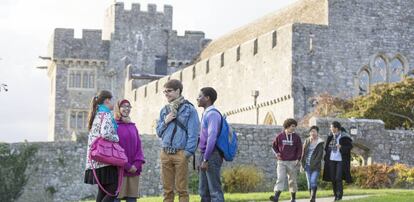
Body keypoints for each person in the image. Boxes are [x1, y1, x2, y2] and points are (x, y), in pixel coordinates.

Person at [156, 79, 200, 202]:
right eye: (164, 92)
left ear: (178, 91)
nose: (166, 94)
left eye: (169, 91)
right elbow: (159, 132)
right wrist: (166, 121)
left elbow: (193, 134)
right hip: (165, 153)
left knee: (182, 190)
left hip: (180, 153)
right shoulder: (164, 110)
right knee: (167, 190)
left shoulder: (189, 110)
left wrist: (187, 153)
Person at [84, 90, 120, 202]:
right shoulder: (106, 114)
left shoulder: (95, 115)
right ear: (107, 100)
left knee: (102, 191)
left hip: (94, 159)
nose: (113, 104)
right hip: (105, 159)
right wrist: (116, 138)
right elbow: (105, 134)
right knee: (113, 190)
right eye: (112, 100)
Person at [196, 87, 225, 202]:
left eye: (200, 96)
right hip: (205, 155)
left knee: (215, 192)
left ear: (207, 98)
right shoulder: (206, 113)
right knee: (204, 192)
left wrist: (205, 159)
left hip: (211, 155)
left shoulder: (212, 114)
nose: (197, 98)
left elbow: (212, 137)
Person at [114, 99, 145, 202]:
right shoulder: (114, 126)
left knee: (132, 199)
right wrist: (126, 165)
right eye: (123, 106)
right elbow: (114, 148)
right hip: (120, 169)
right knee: (116, 198)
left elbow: (139, 147)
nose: (126, 109)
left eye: (128, 106)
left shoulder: (133, 127)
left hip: (133, 170)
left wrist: (136, 165)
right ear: (118, 109)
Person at [271, 118, 302, 202]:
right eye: (292, 126)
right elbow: (273, 146)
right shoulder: (280, 136)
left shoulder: (296, 137)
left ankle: (293, 198)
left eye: (295, 126)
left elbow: (300, 149)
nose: (294, 128)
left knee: (292, 180)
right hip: (282, 162)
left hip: (293, 162)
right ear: (287, 126)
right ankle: (276, 197)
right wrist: (277, 153)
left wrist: (298, 159)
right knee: (280, 178)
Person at [322, 121, 353, 201]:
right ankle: (335, 195)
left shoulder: (344, 136)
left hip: (340, 160)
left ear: (336, 128)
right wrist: (329, 150)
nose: (330, 129)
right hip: (331, 160)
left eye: (331, 127)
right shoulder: (330, 136)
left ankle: (339, 196)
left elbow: (349, 147)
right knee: (333, 178)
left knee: (338, 178)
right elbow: (326, 147)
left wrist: (341, 147)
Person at [301, 126, 324, 202]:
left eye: (314, 131)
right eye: (311, 131)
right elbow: (303, 153)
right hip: (307, 165)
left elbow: (320, 155)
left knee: (313, 181)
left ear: (317, 132)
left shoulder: (320, 142)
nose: (312, 133)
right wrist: (302, 164)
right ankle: (311, 197)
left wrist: (313, 164)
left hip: (316, 166)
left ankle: (313, 197)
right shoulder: (307, 140)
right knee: (309, 182)